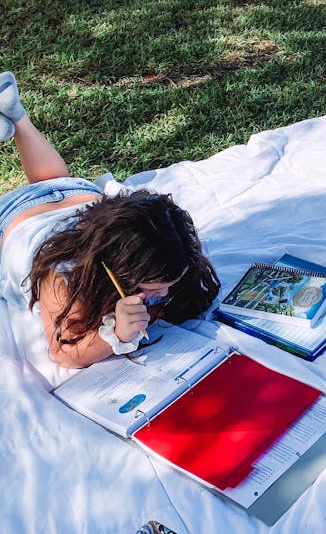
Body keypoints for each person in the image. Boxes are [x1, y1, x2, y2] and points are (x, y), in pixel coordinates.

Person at [0, 72, 220, 369]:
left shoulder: (166, 244)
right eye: (153, 288)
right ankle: (17, 119)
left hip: (74, 193)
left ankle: (18, 118)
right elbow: (64, 353)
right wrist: (115, 335)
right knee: (50, 179)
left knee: (54, 179)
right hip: (15, 216)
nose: (163, 294)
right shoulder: (61, 274)